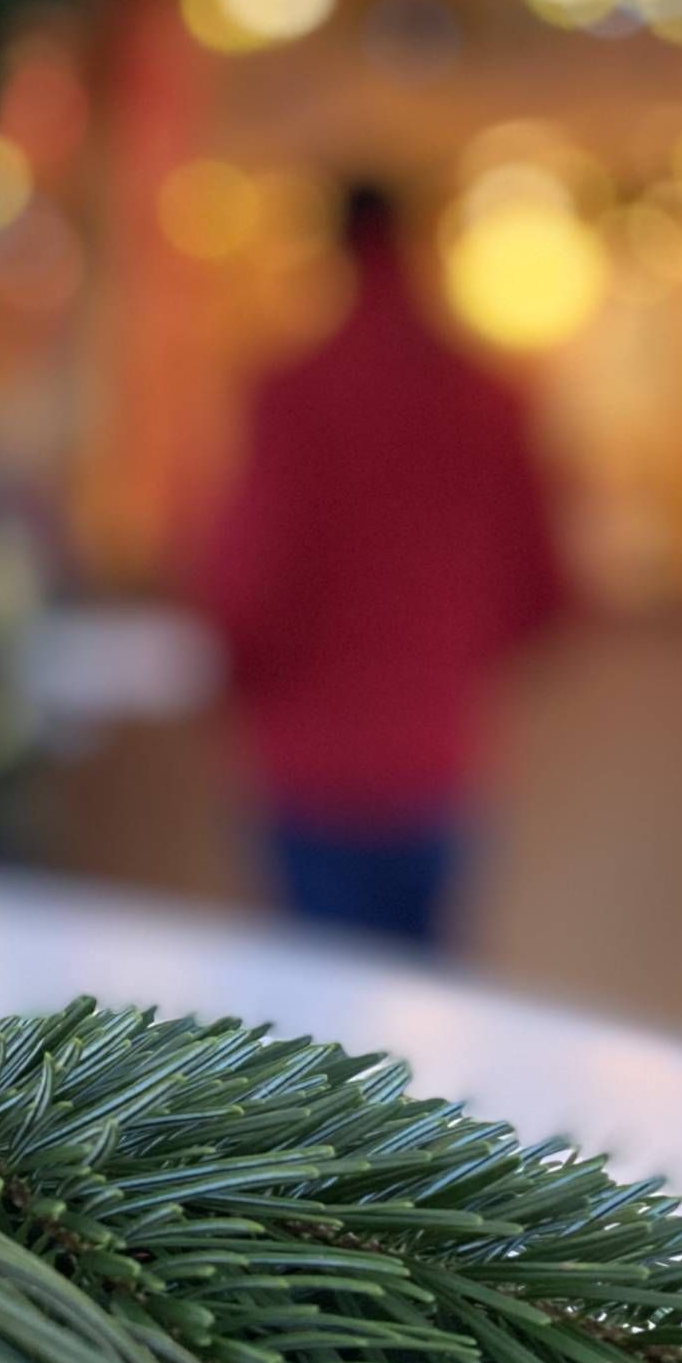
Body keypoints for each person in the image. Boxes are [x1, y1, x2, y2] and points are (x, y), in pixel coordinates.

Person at [196, 183, 565, 946]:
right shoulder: (485, 397)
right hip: (438, 761)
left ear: (336, 250)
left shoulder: (296, 397)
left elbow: (248, 591)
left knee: (322, 1036)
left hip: (314, 769)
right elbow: (548, 587)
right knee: (421, 1022)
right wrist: (443, 662)